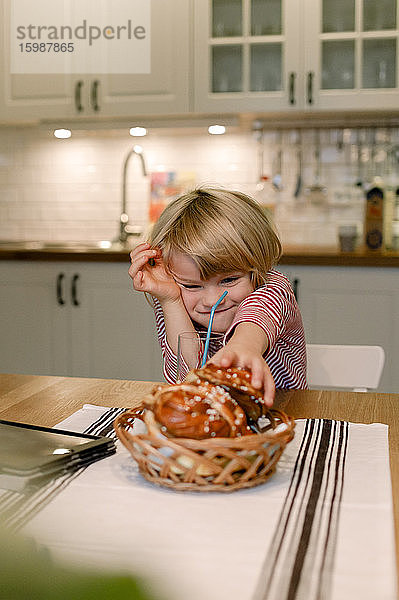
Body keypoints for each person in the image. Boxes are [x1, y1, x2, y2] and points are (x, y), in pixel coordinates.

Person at [129, 186, 307, 407]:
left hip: (283, 422)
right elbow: (187, 379)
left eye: (229, 280)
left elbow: (259, 313)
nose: (212, 301)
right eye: (192, 286)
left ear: (257, 267)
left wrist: (244, 347)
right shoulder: (176, 295)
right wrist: (170, 300)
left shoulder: (272, 287)